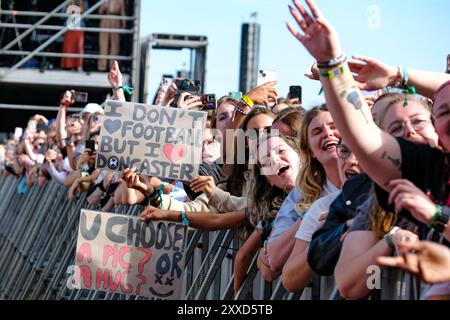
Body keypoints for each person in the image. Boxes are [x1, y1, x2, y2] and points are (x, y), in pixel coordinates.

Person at [286, 0, 450, 299]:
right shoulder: (415, 175)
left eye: (417, 121)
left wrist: (436, 217)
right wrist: (331, 62)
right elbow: (364, 137)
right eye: (397, 130)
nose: (410, 132)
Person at [98, 0, 126, 71]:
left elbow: (122, 12)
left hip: (116, 19)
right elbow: (100, 11)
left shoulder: (121, 0)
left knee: (115, 45)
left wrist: (124, 25)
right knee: (103, 43)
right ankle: (102, 66)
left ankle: (113, 67)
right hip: (106, 18)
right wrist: (103, 7)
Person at [61, 0, 88, 71]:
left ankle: (79, 66)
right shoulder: (67, 1)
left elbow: (87, 17)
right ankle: (69, 66)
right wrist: (69, 11)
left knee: (79, 47)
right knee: (69, 47)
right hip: (69, 27)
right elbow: (61, 15)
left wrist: (82, 12)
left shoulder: (84, 2)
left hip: (79, 27)